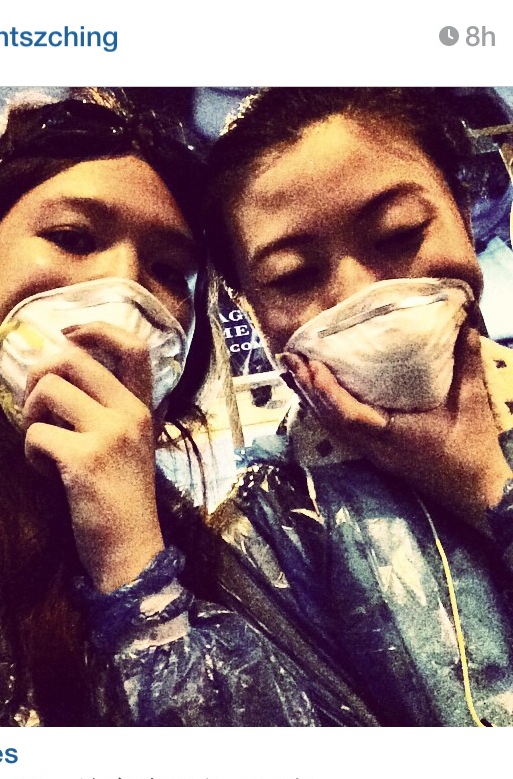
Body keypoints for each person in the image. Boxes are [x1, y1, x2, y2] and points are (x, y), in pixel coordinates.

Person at [0, 91, 355, 728]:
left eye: (169, 270)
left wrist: (135, 568)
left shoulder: (224, 559)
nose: (124, 285)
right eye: (72, 238)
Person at [206, 87, 513, 726]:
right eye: (293, 275)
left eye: (399, 232)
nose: (359, 293)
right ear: (249, 309)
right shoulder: (263, 537)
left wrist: (485, 484)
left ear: (464, 215)